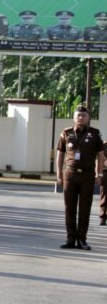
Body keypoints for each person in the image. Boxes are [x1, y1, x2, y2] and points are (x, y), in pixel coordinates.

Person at [55, 105, 103, 250]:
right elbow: (60, 154)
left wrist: (99, 174)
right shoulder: (66, 133)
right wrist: (58, 173)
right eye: (78, 116)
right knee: (69, 207)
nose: (81, 118)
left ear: (88, 118)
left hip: (87, 175)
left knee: (85, 208)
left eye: (84, 115)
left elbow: (100, 155)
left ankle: (82, 239)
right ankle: (70, 239)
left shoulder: (95, 134)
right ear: (74, 118)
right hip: (70, 173)